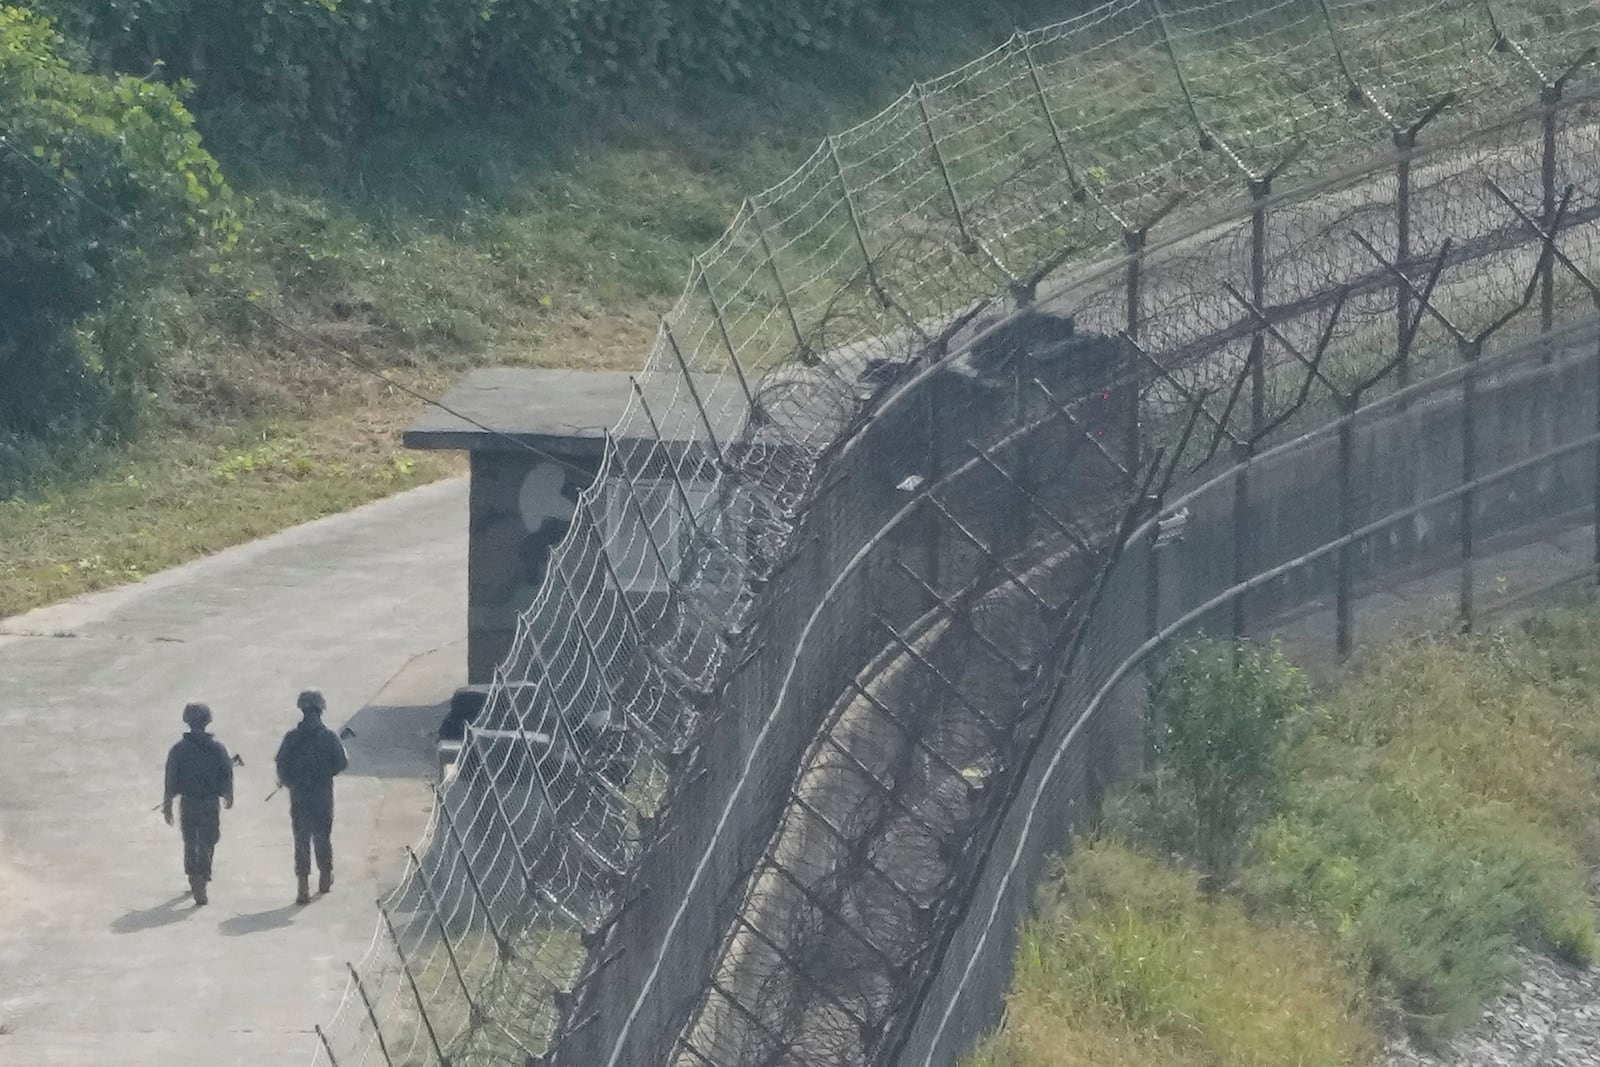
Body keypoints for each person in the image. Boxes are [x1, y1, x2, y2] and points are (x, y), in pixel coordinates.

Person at [275, 689, 349, 905]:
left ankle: (303, 886)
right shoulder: (329, 737)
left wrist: (291, 782)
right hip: (322, 794)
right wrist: (324, 773)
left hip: (299, 795)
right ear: (320, 709)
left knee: (301, 839)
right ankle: (325, 877)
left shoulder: (291, 738)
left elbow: (281, 765)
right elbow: (342, 763)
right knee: (322, 835)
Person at [162, 702, 234, 906]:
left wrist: (168, 802)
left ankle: (194, 876)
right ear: (207, 721)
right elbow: (226, 772)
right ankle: (202, 876)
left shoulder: (178, 750)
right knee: (208, 840)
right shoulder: (217, 748)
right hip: (210, 802)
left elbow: (170, 777)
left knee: (190, 840)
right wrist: (229, 794)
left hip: (188, 802)